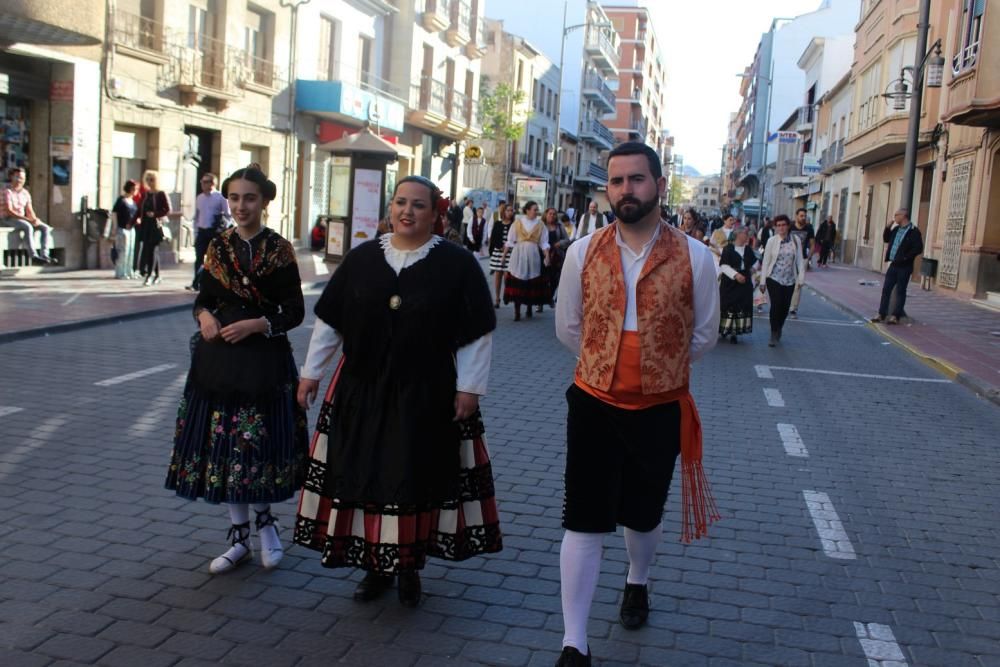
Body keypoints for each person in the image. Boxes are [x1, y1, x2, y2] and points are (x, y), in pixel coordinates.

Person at [292, 174, 502, 607]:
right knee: (367, 473)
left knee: (414, 475)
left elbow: (477, 333)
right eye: (400, 202)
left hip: (425, 390)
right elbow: (331, 321)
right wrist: (311, 373)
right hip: (362, 388)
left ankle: (409, 568)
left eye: (418, 205)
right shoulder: (363, 258)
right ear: (390, 207)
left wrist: (470, 388)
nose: (407, 211)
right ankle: (374, 567)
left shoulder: (458, 265)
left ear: (435, 213)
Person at [553, 142, 720, 666]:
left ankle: (637, 579)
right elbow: (568, 327)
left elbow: (705, 334)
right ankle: (574, 642)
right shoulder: (581, 252)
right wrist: (607, 359)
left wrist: (656, 362)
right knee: (583, 518)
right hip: (593, 403)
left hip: (658, 408)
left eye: (637, 179)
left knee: (643, 516)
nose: (627, 189)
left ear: (659, 186)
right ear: (608, 188)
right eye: (617, 180)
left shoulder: (697, 257)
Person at [165, 163, 308, 574]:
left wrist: (259, 324)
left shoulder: (279, 249)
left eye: (249, 198)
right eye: (234, 197)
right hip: (218, 363)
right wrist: (205, 318)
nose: (241, 205)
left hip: (263, 363)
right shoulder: (218, 247)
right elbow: (203, 299)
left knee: (254, 448)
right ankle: (238, 536)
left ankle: (267, 530)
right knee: (224, 449)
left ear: (264, 201)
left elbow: (295, 311)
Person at [761, 214, 806, 347]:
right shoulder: (772, 241)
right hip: (773, 277)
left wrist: (801, 278)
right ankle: (773, 332)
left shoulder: (795, 240)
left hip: (790, 279)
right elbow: (766, 261)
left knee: (785, 308)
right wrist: (763, 280)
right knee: (776, 305)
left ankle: (779, 326)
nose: (781, 228)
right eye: (778, 225)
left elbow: (799, 260)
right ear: (775, 227)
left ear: (788, 226)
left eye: (783, 225)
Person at [872, 209, 923, 325]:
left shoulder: (913, 232)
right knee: (886, 290)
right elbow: (886, 239)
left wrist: (905, 257)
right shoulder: (896, 229)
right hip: (894, 265)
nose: (894, 217)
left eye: (896, 215)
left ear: (904, 216)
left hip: (905, 266)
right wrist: (887, 227)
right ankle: (881, 314)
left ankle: (896, 316)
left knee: (901, 291)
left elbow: (918, 248)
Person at [502, 201, 551, 321]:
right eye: (534, 209)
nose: (536, 211)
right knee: (517, 280)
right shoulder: (517, 223)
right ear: (527, 210)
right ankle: (517, 311)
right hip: (519, 254)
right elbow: (510, 240)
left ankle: (529, 307)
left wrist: (547, 256)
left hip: (533, 255)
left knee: (531, 281)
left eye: (537, 209)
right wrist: (504, 256)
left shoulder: (540, 224)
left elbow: (544, 242)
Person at [0, 167, 55, 264]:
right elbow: (9, 211)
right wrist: (28, 220)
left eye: (22, 178)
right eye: (17, 177)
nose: (19, 180)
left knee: (45, 228)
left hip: (21, 218)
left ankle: (45, 255)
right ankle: (33, 255)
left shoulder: (25, 193)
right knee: (27, 226)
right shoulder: (7, 191)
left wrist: (34, 219)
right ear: (11, 177)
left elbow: (29, 210)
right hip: (7, 218)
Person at [188, 173, 231, 291]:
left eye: (205, 182)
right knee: (199, 258)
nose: (202, 184)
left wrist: (222, 228)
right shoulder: (200, 197)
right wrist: (196, 230)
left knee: (215, 259)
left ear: (212, 183)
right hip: (202, 231)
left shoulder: (220, 197)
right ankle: (195, 283)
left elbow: (228, 215)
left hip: (214, 232)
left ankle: (215, 283)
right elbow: (197, 215)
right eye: (201, 182)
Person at [718, 226, 756, 344]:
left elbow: (756, 262)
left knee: (741, 306)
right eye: (745, 234)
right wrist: (735, 275)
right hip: (730, 282)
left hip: (744, 283)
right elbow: (723, 266)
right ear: (739, 235)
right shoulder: (728, 249)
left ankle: (735, 333)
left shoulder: (748, 249)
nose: (747, 236)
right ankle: (724, 329)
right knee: (728, 305)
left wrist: (753, 269)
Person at [136, 170, 170, 286]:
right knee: (150, 250)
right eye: (147, 179)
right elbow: (139, 209)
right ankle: (157, 275)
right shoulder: (146, 194)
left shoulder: (160, 193)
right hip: (146, 225)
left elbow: (167, 209)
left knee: (151, 251)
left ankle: (149, 275)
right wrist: (133, 221)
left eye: (152, 179)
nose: (149, 182)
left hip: (155, 226)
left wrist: (155, 214)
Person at [788, 208, 815, 318]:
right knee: (787, 282)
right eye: (801, 216)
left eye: (804, 216)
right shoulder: (790, 226)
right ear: (796, 216)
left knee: (799, 284)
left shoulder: (809, 228)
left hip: (802, 259)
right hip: (789, 258)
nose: (803, 218)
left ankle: (793, 309)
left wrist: (808, 259)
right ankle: (785, 304)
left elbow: (813, 244)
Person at [542, 206, 571, 308]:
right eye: (550, 213)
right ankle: (540, 302)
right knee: (543, 278)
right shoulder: (541, 226)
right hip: (543, 255)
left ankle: (550, 297)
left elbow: (567, 240)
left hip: (557, 256)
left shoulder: (559, 226)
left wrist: (560, 243)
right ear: (546, 214)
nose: (552, 216)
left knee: (554, 279)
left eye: (554, 214)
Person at [488, 203, 513, 308]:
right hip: (498, 252)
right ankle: (497, 299)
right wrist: (501, 247)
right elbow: (493, 238)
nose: (510, 212)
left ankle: (505, 295)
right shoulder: (498, 223)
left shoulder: (514, 224)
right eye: (508, 210)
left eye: (511, 210)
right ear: (504, 212)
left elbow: (515, 238)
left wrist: (508, 247)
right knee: (498, 276)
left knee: (507, 277)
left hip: (510, 253)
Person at [112, 179, 139, 279]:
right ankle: (120, 273)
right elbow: (114, 213)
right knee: (123, 251)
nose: (136, 191)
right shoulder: (121, 200)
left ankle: (129, 271)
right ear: (131, 189)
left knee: (131, 250)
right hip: (122, 228)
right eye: (135, 189)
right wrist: (115, 227)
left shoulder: (132, 201)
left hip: (132, 229)